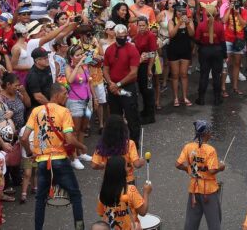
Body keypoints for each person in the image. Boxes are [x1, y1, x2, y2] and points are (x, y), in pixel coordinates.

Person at [21, 83, 87, 230]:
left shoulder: (36, 111)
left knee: (40, 200)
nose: (67, 96)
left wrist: (31, 153)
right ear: (56, 94)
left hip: (42, 162)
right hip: (59, 160)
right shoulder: (64, 112)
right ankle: (80, 228)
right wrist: (82, 146)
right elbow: (69, 139)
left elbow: (24, 138)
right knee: (75, 195)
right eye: (65, 93)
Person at [175, 120, 225, 230]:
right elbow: (212, 171)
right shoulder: (210, 150)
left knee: (191, 223)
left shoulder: (188, 147)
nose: (211, 133)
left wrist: (189, 169)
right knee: (214, 223)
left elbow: (178, 164)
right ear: (206, 133)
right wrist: (221, 168)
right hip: (209, 191)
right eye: (210, 131)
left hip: (194, 189)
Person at [101, 24, 142, 146]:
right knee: (115, 117)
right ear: (115, 35)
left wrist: (117, 84)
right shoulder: (109, 50)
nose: (122, 38)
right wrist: (110, 83)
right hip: (113, 87)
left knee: (131, 116)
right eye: (120, 36)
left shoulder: (132, 49)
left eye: (124, 36)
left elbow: (133, 73)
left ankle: (134, 143)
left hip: (127, 87)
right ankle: (117, 142)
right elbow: (105, 69)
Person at [96, 155, 152, 230]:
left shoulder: (102, 193)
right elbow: (143, 212)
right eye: (127, 166)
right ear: (122, 171)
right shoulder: (130, 190)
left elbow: (101, 213)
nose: (129, 168)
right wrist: (146, 193)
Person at [91, 114, 143, 183]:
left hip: (109, 181)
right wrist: (141, 161)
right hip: (127, 180)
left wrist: (103, 166)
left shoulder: (102, 145)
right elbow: (137, 164)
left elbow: (94, 165)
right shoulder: (129, 144)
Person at [193, 8, 226, 106]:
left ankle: (201, 98)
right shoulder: (219, 26)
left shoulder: (201, 25)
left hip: (205, 51)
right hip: (217, 51)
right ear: (215, 14)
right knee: (216, 75)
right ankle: (217, 99)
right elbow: (222, 41)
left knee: (204, 74)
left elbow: (197, 39)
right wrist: (225, 55)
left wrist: (202, 45)